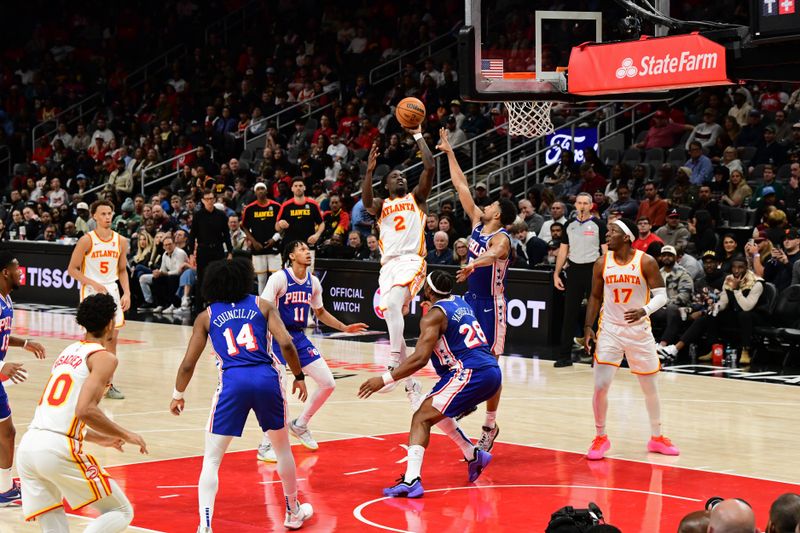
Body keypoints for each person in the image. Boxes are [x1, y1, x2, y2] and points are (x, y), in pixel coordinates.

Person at [169, 258, 313, 531]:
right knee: (282, 450)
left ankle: (205, 526)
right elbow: (287, 344)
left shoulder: (207, 316)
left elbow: (188, 363)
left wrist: (178, 394)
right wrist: (298, 376)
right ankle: (293, 511)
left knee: (211, 459)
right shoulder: (263, 305)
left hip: (232, 382)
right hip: (266, 379)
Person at [358, 271, 501, 498]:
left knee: (421, 418)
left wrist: (384, 379)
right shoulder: (460, 302)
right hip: (491, 370)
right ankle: (473, 454)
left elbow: (420, 359)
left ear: (427, 290)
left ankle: (411, 480)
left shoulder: (433, 316)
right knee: (433, 409)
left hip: (469, 372)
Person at [17, 293, 146, 531]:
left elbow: (62, 414)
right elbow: (85, 410)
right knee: (121, 511)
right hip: (55, 449)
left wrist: (102, 439)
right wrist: (127, 434)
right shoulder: (105, 358)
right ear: (110, 323)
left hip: (28, 447)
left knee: (54, 525)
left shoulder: (68, 351)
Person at [437, 128, 517, 451]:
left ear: (498, 214)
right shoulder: (475, 222)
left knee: (492, 366)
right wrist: (449, 153)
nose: (486, 203)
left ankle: (490, 424)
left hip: (491, 305)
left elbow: (494, 254)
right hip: (471, 299)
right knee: (466, 353)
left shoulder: (503, 238)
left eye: (492, 203)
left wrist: (473, 264)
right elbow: (461, 186)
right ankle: (466, 396)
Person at [256, 241, 367, 461]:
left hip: (297, 336)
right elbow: (263, 308)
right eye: (302, 250)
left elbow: (321, 312)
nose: (307, 253)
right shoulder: (279, 278)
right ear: (291, 255)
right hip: (276, 336)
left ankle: (300, 425)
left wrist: (344, 327)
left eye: (308, 249)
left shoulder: (313, 282)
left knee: (328, 382)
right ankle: (265, 445)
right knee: (280, 390)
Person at [582, 218, 678, 460]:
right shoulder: (602, 262)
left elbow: (661, 297)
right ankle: (600, 437)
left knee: (649, 387)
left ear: (626, 237)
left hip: (639, 331)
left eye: (612, 231)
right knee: (600, 386)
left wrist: (644, 310)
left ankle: (657, 437)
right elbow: (594, 297)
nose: (607, 234)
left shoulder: (646, 261)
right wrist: (588, 327)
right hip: (610, 330)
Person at [361, 124, 434, 407]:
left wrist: (418, 134)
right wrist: (369, 171)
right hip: (388, 266)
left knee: (392, 307)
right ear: (386, 185)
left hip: (412, 260)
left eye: (403, 175)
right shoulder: (380, 205)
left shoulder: (417, 198)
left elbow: (429, 166)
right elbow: (366, 200)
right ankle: (410, 382)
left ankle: (393, 362)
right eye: (395, 176)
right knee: (393, 318)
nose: (401, 177)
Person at [67, 200, 130, 400]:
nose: (108, 217)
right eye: (103, 214)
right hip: (91, 291)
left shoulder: (121, 241)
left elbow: (121, 270)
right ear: (94, 216)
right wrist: (92, 283)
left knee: (112, 338)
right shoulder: (86, 240)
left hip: (111, 288)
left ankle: (108, 383)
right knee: (92, 338)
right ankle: (85, 378)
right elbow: (72, 269)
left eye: (110, 213)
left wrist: (126, 292)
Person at [0, 252, 46, 506]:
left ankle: (4, 486)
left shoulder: (6, 298)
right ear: (5, 272)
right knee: (6, 432)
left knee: (6, 432)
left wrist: (25, 343)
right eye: (17, 269)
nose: (21, 273)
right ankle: (4, 490)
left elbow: (3, 334)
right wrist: (2, 365)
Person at [554, 192, 607, 367]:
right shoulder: (569, 225)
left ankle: (597, 355)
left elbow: (606, 251)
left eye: (586, 202)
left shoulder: (599, 224)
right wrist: (557, 273)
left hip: (594, 269)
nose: (582, 205)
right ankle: (564, 356)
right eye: (579, 202)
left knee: (596, 313)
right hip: (575, 269)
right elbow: (563, 251)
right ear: (575, 205)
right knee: (569, 313)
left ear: (591, 206)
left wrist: (607, 273)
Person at [189, 190, 233, 313]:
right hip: (203, 250)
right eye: (207, 199)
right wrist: (191, 253)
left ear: (214, 200)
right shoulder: (198, 215)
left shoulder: (221, 215)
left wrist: (230, 251)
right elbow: (192, 235)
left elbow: (226, 235)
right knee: (202, 279)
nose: (209, 201)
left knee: (219, 277)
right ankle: (198, 308)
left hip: (218, 250)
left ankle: (219, 305)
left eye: (211, 198)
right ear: (202, 200)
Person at [241, 183, 282, 294]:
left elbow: (283, 225)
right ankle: (262, 306)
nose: (260, 191)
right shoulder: (249, 208)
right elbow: (244, 226)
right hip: (258, 248)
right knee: (261, 279)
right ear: (255, 192)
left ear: (266, 191)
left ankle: (277, 304)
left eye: (262, 188)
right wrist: (253, 241)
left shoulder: (276, 206)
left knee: (276, 278)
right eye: (258, 189)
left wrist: (274, 239)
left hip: (274, 246)